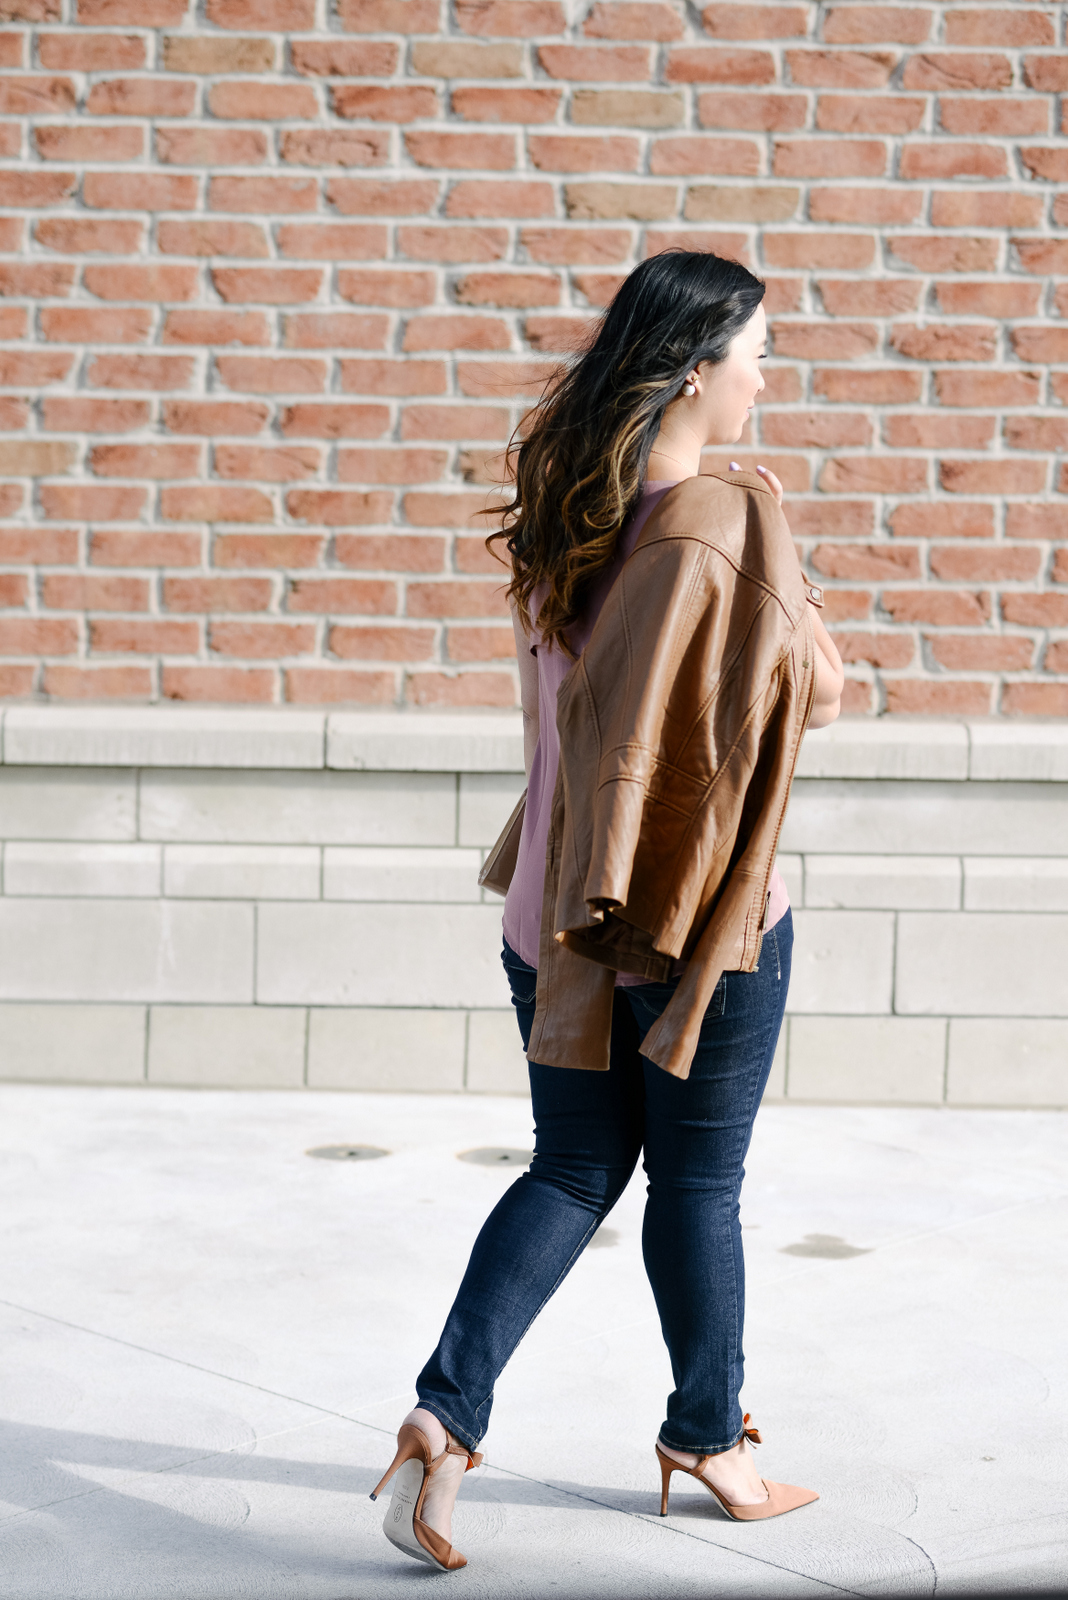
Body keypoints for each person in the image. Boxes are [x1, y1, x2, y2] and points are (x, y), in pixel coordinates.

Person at [370, 251, 845, 1571]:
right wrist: (795, 583)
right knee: (697, 1180)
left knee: (574, 1167)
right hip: (688, 920)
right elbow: (819, 694)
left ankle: (442, 1416)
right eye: (756, 354)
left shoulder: (562, 513)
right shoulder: (724, 522)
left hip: (550, 915)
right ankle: (709, 1438)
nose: (764, 380)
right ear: (694, 369)